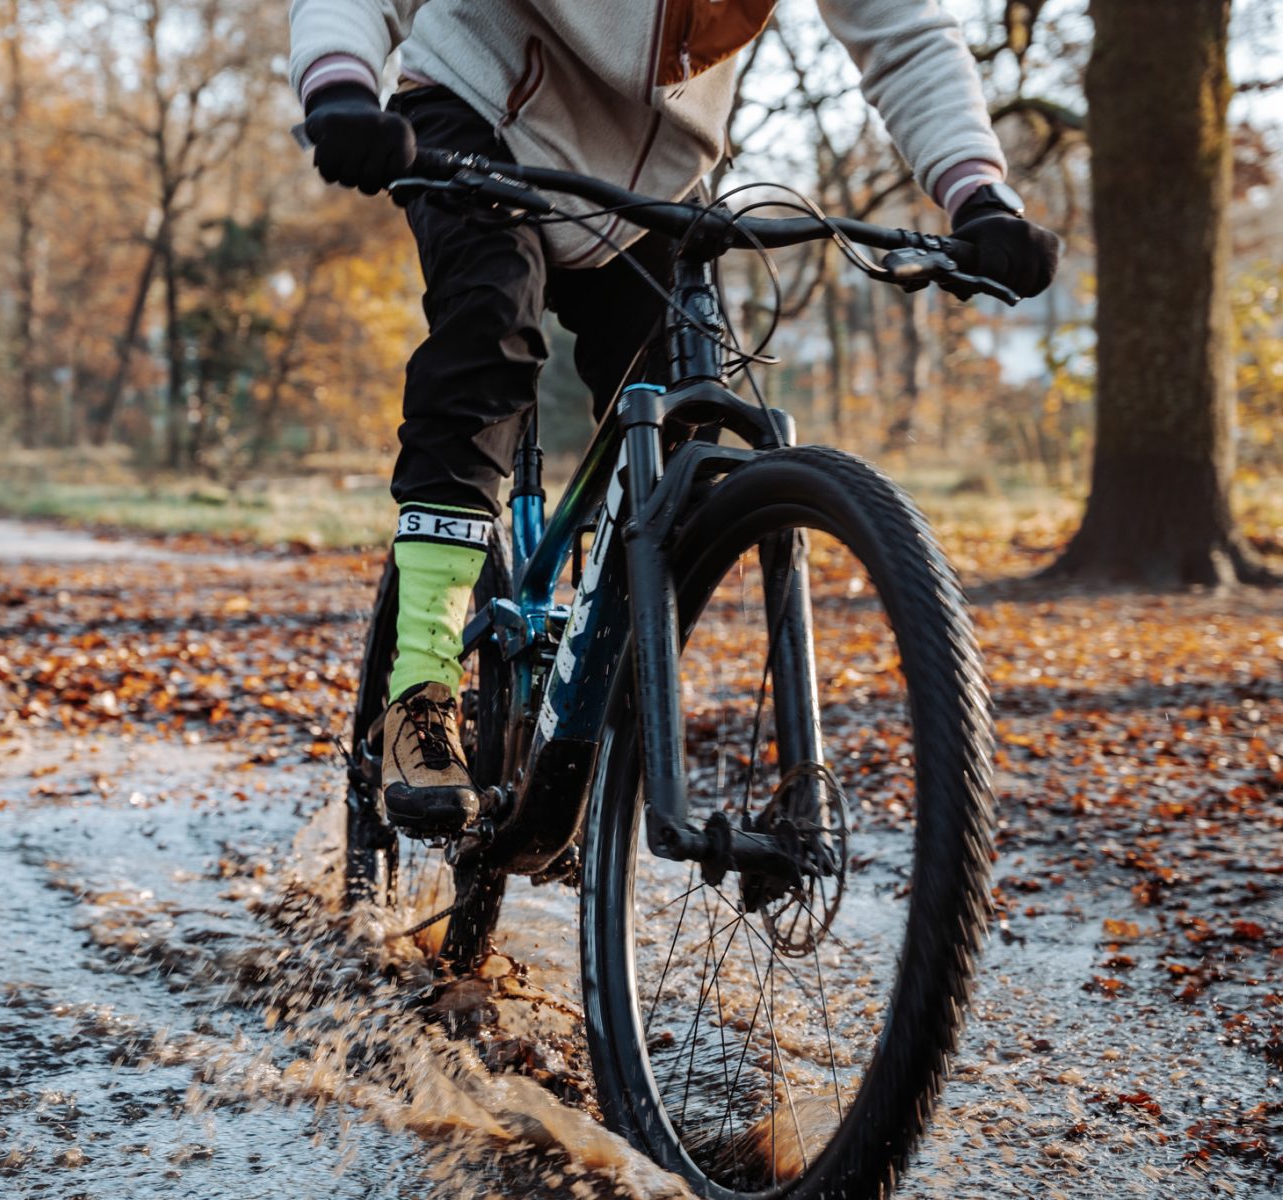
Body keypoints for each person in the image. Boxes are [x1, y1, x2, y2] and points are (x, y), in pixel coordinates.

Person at [289, 0, 1060, 836]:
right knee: (487, 333)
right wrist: (340, 82)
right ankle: (423, 692)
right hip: (477, 111)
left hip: (652, 180)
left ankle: (591, 701)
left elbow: (905, 32)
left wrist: (978, 193)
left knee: (683, 425)